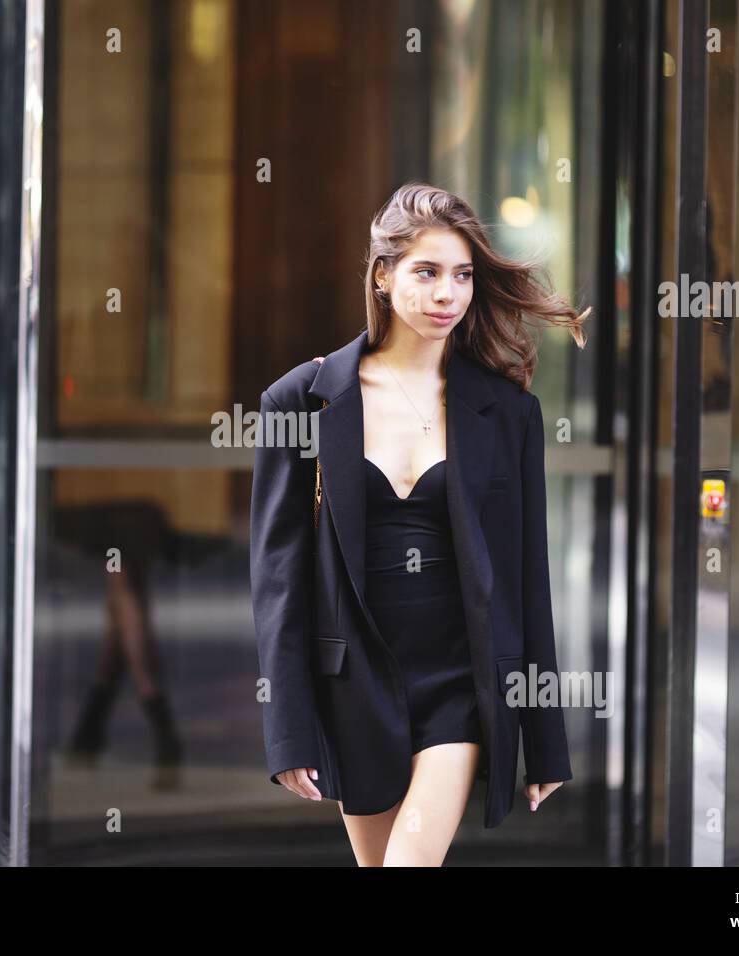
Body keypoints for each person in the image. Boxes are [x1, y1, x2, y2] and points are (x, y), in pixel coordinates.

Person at [249, 181, 588, 866]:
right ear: (383, 275)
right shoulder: (303, 401)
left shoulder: (508, 413)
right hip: (353, 687)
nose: (447, 294)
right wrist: (288, 730)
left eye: (462, 275)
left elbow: (527, 580)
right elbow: (279, 582)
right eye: (426, 272)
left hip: (460, 684)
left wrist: (545, 738)